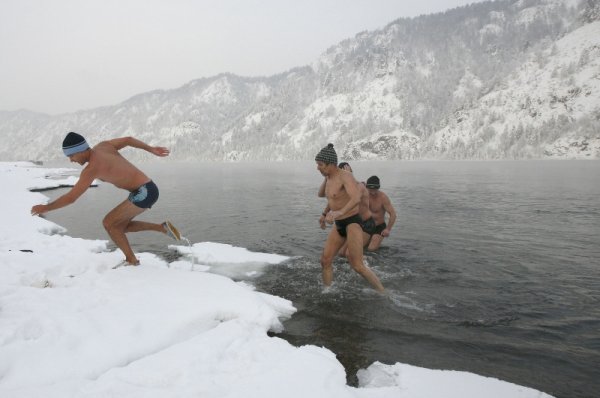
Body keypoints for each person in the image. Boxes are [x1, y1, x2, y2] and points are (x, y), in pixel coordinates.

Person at [30, 132, 182, 266]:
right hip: (147, 189)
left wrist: (46, 208)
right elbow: (128, 139)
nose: (71, 160)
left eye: (71, 156)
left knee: (109, 223)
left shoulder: (91, 169)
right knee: (119, 226)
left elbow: (71, 197)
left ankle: (132, 260)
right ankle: (161, 228)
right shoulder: (103, 146)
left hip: (144, 191)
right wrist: (151, 149)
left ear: (80, 150)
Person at [315, 144, 384, 292]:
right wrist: (324, 215)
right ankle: (327, 292)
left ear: (332, 164)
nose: (317, 168)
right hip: (339, 225)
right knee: (325, 261)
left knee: (357, 265)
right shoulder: (329, 178)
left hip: (352, 223)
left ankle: (383, 292)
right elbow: (322, 195)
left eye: (320, 165)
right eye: (317, 164)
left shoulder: (346, 177)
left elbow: (356, 199)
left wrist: (339, 212)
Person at [318, 162, 375, 255]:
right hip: (351, 222)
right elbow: (332, 201)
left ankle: (364, 263)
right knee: (341, 253)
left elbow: (355, 196)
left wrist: (350, 175)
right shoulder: (342, 188)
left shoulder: (360, 186)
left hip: (365, 224)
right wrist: (324, 214)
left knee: (349, 254)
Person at [365, 175, 397, 251]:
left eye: (375, 190)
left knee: (371, 249)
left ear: (378, 188)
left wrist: (388, 229)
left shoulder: (383, 197)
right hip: (366, 226)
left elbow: (393, 214)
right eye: (370, 190)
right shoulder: (363, 195)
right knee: (360, 247)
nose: (373, 192)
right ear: (367, 187)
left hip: (378, 227)